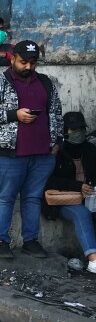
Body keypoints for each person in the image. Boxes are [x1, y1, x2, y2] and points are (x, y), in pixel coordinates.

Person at [0, 40, 63, 259]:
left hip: (42, 154)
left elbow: (55, 112)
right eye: (23, 62)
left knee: (33, 198)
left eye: (32, 63)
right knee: (5, 198)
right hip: (9, 154)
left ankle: (31, 241)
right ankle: (1, 242)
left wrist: (56, 144)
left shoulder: (46, 83)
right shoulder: (0, 82)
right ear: (13, 58)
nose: (27, 67)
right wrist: (14, 115)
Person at [42, 112, 96, 273]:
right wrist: (77, 186)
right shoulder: (57, 151)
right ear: (65, 130)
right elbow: (48, 180)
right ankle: (93, 260)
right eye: (74, 129)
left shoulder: (90, 149)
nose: (78, 132)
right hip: (63, 200)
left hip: (89, 197)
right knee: (82, 214)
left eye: (81, 128)